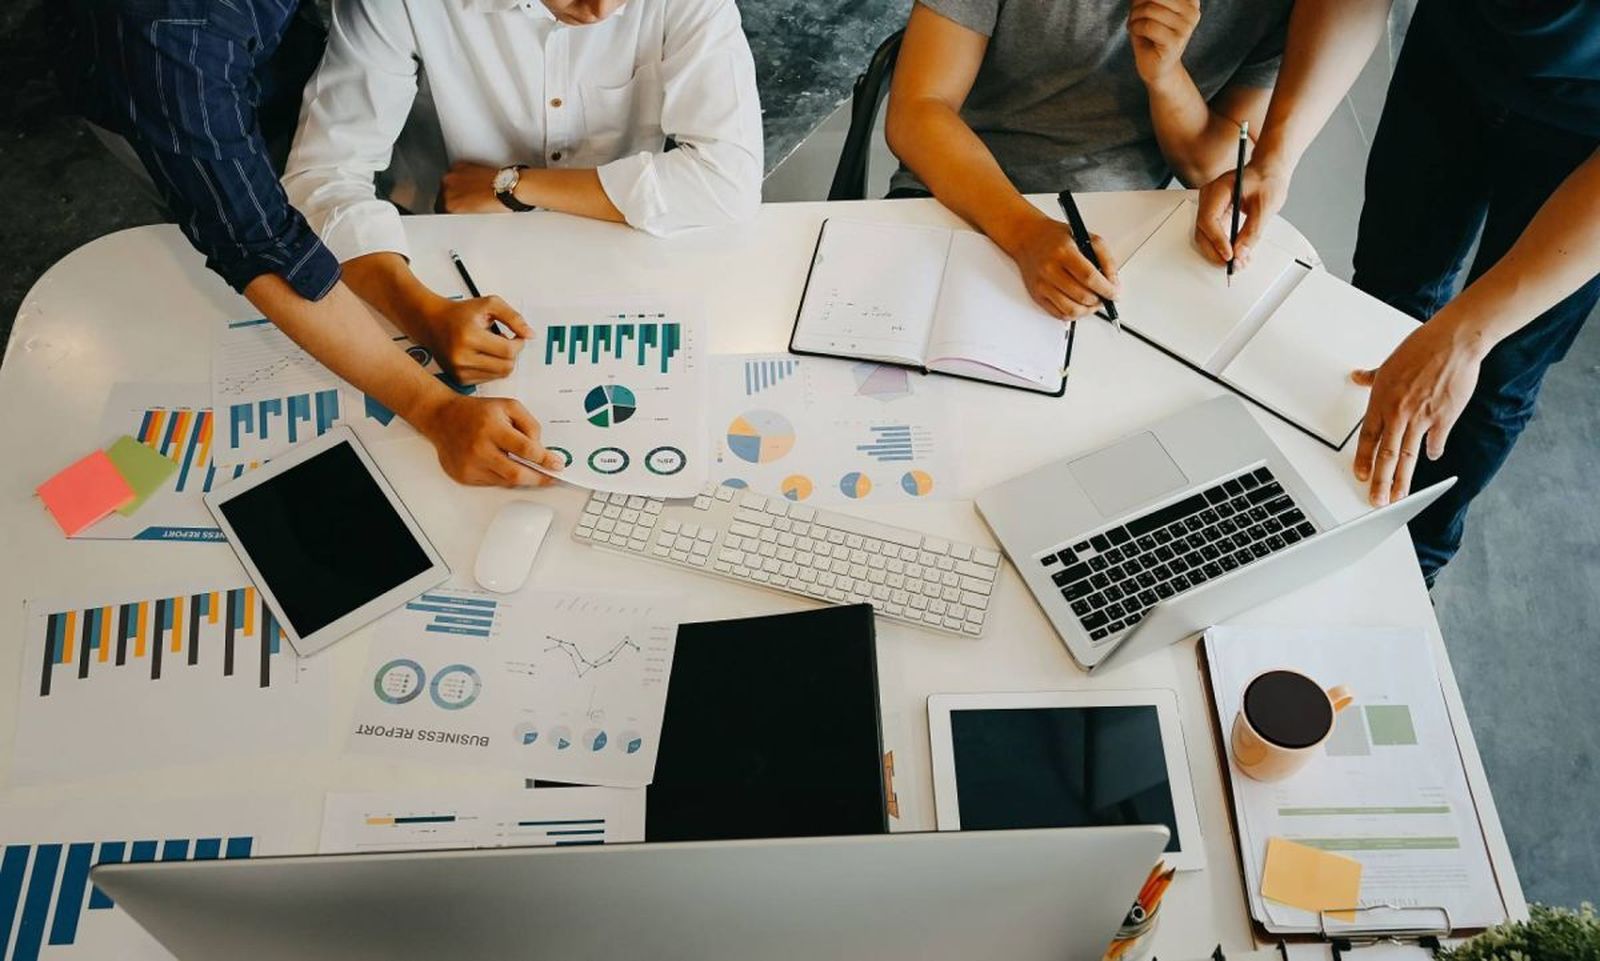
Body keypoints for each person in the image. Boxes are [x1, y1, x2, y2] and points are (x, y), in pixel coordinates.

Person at [65, 1, 564, 489]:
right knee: (220, 229)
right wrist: (433, 408)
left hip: (279, 52)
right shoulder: (172, 37)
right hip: (162, 85)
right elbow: (262, 245)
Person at [1192, 0, 1600, 583]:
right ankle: (1322, 510)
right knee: (1383, 302)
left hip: (1586, 124)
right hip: (1453, 56)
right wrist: (1276, 155)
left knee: (1499, 371)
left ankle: (1412, 566)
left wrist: (1468, 334)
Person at [282, 0, 764, 375]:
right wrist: (421, 315)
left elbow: (727, 179)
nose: (599, 11)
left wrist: (513, 187)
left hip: (625, 245)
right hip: (441, 248)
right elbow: (321, 178)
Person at [884, 0, 1294, 321]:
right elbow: (916, 111)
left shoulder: (1273, 9)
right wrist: (1025, 233)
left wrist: (1167, 78)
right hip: (953, 192)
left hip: (1117, 239)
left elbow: (1211, 166)